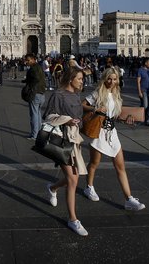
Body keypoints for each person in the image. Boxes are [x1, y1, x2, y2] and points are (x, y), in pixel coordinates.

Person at [80, 67, 145, 211]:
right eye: (109, 78)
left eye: (115, 79)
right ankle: (89, 187)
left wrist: (127, 119)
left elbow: (115, 115)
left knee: (120, 166)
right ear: (105, 79)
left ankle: (128, 199)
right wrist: (95, 109)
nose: (112, 81)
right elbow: (82, 104)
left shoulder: (116, 95)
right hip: (99, 132)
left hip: (112, 133)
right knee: (94, 163)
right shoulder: (98, 93)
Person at [43, 66, 89, 236]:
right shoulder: (58, 95)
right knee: (72, 180)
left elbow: (80, 120)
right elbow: (47, 116)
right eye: (80, 78)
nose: (82, 81)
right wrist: (67, 121)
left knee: (74, 178)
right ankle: (73, 219)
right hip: (60, 140)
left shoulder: (77, 96)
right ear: (71, 79)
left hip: (74, 140)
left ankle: (53, 188)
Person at [23, 53, 46, 140]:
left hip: (35, 94)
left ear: (33, 59)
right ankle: (39, 133)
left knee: (33, 115)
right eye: (26, 60)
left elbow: (36, 79)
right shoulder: (39, 67)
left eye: (28, 60)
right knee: (38, 114)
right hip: (41, 93)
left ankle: (34, 135)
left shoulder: (33, 68)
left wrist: (30, 85)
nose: (26, 62)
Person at [136, 58, 149, 126]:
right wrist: (139, 92)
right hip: (143, 90)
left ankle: (148, 120)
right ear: (145, 63)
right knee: (145, 105)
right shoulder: (140, 70)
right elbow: (138, 82)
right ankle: (139, 116)